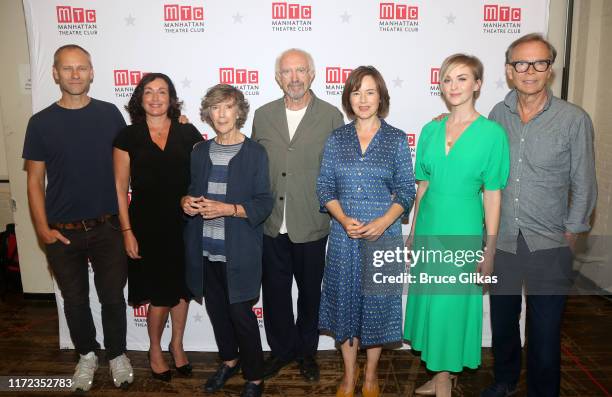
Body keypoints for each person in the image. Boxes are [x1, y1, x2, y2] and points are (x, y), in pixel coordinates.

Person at [482, 34, 597, 397]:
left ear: (550, 69)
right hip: (502, 241)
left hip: (550, 244)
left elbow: (585, 183)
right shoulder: (497, 114)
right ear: (509, 71)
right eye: (521, 64)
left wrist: (571, 234)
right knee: (502, 324)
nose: (530, 71)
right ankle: (504, 381)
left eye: (539, 63)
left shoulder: (573, 119)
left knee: (545, 333)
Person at [22, 44, 134, 392]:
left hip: (108, 226)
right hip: (63, 232)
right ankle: (86, 354)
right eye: (67, 68)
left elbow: (133, 155)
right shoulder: (40, 123)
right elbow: (34, 181)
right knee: (74, 300)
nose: (74, 74)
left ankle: (117, 354)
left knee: (113, 297)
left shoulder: (110, 114)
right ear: (55, 73)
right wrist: (42, 229)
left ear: (91, 72)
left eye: (81, 68)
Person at [404, 54, 510, 397]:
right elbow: (422, 186)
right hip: (429, 229)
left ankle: (445, 383)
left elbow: (493, 196)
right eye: (447, 79)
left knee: (450, 305)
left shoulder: (492, 134)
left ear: (477, 84)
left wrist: (489, 249)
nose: (453, 86)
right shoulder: (431, 129)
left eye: (462, 78)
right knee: (433, 304)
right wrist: (413, 234)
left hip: (462, 229)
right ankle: (438, 375)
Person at [317, 66, 415, 397]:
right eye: (356, 92)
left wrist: (383, 222)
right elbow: (324, 187)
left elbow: (406, 191)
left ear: (381, 98)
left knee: (377, 307)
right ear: (348, 98)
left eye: (370, 92)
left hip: (383, 237)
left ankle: (371, 374)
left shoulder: (396, 139)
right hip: (344, 239)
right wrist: (344, 220)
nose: (363, 99)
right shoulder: (337, 138)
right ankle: (349, 373)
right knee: (345, 305)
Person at [251, 48, 344, 381]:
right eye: (287, 72)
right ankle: (281, 350)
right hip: (271, 224)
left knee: (309, 294)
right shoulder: (262, 115)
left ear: (312, 74)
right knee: (274, 294)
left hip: (313, 223)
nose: (294, 78)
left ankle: (307, 353)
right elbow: (252, 165)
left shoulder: (332, 116)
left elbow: (337, 171)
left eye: (300, 70)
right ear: (278, 78)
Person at [182, 84, 273, 397]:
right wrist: (186, 202)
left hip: (240, 252)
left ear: (239, 112)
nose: (221, 114)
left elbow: (263, 204)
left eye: (228, 107)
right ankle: (229, 360)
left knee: (241, 317)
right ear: (208, 113)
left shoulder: (255, 153)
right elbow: (193, 190)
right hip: (206, 250)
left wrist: (228, 209)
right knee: (217, 313)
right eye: (215, 107)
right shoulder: (199, 152)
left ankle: (255, 377)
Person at [113, 73, 202, 381]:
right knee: (161, 293)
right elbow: (119, 188)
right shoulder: (127, 136)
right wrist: (126, 232)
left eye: (162, 92)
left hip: (185, 224)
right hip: (146, 226)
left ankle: (177, 345)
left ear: (171, 98)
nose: (155, 97)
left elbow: (200, 176)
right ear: (140, 98)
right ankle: (154, 348)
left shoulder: (188, 132)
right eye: (148, 92)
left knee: (182, 290)